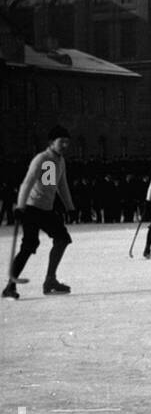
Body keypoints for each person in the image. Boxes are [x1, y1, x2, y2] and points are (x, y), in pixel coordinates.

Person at [4, 125, 76, 299]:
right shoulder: (42, 159)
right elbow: (27, 183)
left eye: (67, 142)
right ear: (51, 142)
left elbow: (61, 185)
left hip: (45, 210)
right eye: (61, 142)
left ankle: (50, 280)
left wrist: (70, 207)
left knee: (62, 239)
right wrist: (20, 206)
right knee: (29, 245)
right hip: (31, 208)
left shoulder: (59, 161)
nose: (65, 145)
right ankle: (10, 286)